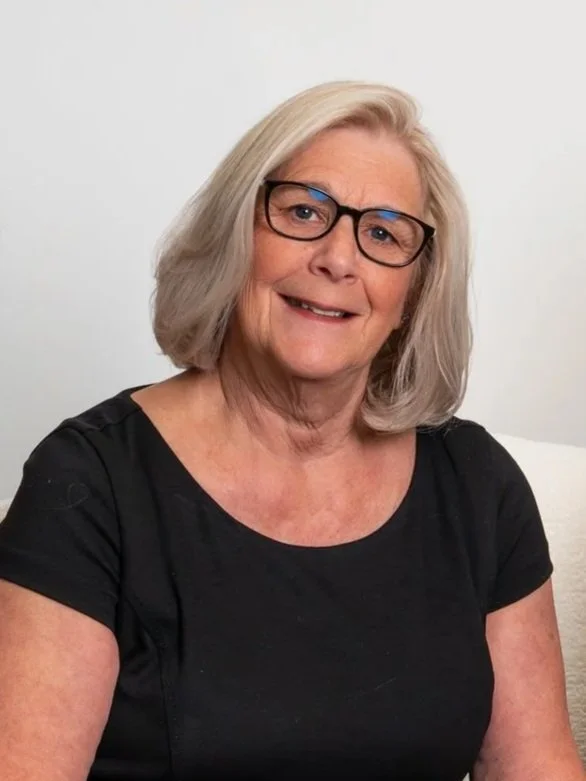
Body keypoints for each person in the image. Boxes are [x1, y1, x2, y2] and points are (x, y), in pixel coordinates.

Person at [0, 81, 583, 781]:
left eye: (383, 233)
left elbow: (538, 767)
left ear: (415, 293)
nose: (339, 258)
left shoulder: (477, 486)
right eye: (304, 210)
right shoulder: (89, 482)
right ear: (235, 235)